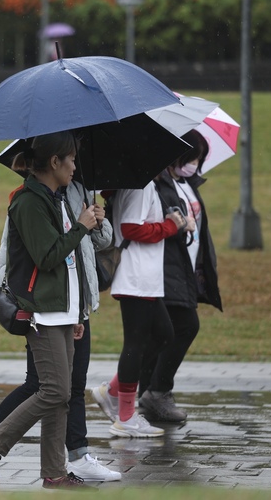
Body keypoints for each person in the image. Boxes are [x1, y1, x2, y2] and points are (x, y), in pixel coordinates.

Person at [0, 131, 98, 490]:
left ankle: (54, 473)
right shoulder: (28, 202)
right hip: (40, 312)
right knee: (54, 390)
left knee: (63, 395)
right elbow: (49, 255)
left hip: (63, 311)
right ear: (54, 162)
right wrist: (82, 227)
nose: (75, 165)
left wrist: (77, 313)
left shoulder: (56, 198)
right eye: (70, 159)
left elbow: (72, 264)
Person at [90, 173, 195, 438]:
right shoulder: (142, 186)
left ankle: (112, 391)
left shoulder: (137, 185)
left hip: (146, 278)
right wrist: (170, 226)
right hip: (135, 277)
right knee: (135, 345)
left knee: (163, 335)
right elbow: (130, 228)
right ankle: (125, 417)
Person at [137, 130, 222, 422]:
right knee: (185, 325)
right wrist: (174, 223)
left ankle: (144, 393)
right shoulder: (157, 184)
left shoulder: (184, 182)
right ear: (179, 155)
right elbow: (146, 223)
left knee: (160, 332)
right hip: (166, 266)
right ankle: (156, 391)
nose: (196, 165)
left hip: (186, 266)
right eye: (193, 158)